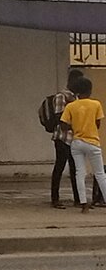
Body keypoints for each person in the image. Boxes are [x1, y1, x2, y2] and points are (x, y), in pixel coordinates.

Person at [60, 76, 106, 214]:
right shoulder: (96, 104)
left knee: (80, 173)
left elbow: (63, 125)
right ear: (90, 90)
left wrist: (74, 128)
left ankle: (83, 204)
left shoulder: (70, 106)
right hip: (92, 142)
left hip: (77, 142)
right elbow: (98, 124)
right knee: (100, 174)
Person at [49, 69, 83, 209]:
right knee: (60, 167)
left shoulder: (77, 98)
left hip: (74, 137)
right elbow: (59, 117)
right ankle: (55, 198)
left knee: (75, 169)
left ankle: (78, 198)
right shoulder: (61, 97)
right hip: (62, 138)